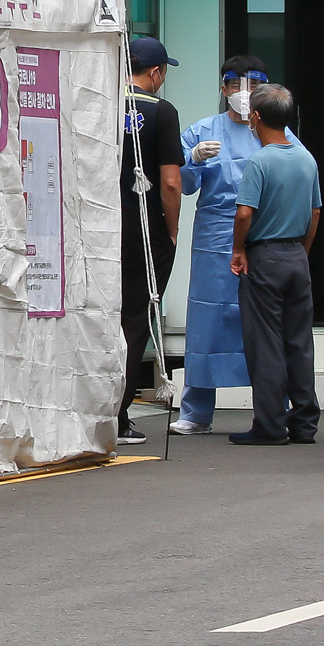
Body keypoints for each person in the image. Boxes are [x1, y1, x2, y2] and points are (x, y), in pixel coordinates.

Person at [169, 55, 266, 435]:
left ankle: (275, 407)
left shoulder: (275, 132)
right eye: (236, 86)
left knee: (263, 320)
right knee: (208, 317)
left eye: (253, 87)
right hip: (215, 236)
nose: (244, 94)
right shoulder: (203, 130)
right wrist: (191, 159)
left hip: (261, 234)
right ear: (223, 89)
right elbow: (181, 182)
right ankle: (196, 411)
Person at [227, 84, 322, 446]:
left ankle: (269, 424)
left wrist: (238, 249)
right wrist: (303, 251)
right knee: (299, 341)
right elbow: (315, 213)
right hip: (296, 255)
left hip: (264, 257)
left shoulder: (259, 161)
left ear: (255, 118)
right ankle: (304, 422)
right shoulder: (305, 158)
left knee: (265, 342)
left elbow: (244, 212)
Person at [117, 35, 181, 447]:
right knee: (136, 317)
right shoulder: (162, 111)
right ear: (155, 72)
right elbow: (171, 184)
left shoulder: (99, 100)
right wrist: (171, 231)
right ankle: (118, 414)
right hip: (143, 228)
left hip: (100, 226)